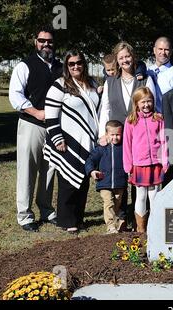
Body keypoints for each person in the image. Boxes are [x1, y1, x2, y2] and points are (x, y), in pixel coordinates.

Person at [9, 26, 62, 232]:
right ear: (35, 42)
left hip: (54, 128)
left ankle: (47, 211)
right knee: (27, 170)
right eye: (42, 41)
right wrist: (36, 112)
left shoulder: (60, 66)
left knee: (49, 170)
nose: (46, 44)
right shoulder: (25, 65)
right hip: (32, 124)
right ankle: (25, 215)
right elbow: (15, 96)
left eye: (49, 41)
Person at [98, 41, 155, 230]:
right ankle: (121, 218)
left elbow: (155, 106)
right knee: (120, 177)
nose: (125, 60)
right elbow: (105, 109)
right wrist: (103, 134)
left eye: (127, 56)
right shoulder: (110, 82)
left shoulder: (145, 79)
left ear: (133, 57)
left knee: (138, 182)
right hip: (117, 135)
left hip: (140, 138)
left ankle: (139, 219)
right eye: (121, 57)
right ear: (117, 60)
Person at [43, 50, 100, 233]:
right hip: (67, 140)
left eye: (79, 63)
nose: (76, 66)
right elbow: (50, 116)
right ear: (67, 66)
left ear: (84, 63)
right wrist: (57, 138)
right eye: (71, 64)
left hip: (88, 141)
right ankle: (67, 221)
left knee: (83, 181)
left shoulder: (92, 84)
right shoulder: (60, 85)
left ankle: (79, 217)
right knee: (68, 180)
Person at [123, 87, 168, 234]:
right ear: (136, 103)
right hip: (139, 164)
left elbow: (164, 141)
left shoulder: (158, 119)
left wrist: (165, 161)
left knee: (155, 195)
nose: (146, 105)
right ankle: (141, 227)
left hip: (155, 163)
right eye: (143, 102)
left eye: (149, 101)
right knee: (141, 196)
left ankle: (155, 227)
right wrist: (128, 166)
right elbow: (127, 144)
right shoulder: (131, 121)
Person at [85, 120, 127, 234]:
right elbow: (90, 160)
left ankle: (118, 222)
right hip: (104, 182)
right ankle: (110, 226)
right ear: (106, 134)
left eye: (118, 134)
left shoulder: (124, 148)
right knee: (109, 203)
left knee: (118, 202)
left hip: (119, 182)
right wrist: (92, 171)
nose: (115, 137)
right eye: (112, 135)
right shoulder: (101, 148)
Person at [147, 36, 173, 113]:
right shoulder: (147, 72)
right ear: (154, 50)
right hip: (149, 121)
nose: (163, 53)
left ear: (171, 51)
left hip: (170, 119)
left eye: (166, 50)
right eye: (160, 49)